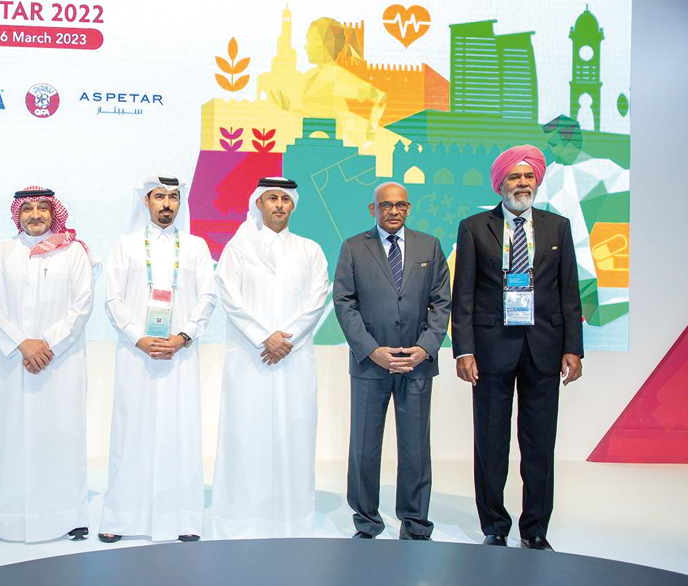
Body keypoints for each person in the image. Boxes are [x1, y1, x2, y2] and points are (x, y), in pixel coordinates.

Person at [452, 145, 583, 551]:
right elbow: (464, 295)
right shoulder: (475, 228)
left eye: (528, 177)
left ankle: (535, 529)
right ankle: (494, 525)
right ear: (501, 184)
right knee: (491, 442)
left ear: (536, 181)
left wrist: (573, 348)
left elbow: (569, 292)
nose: (522, 183)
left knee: (540, 443)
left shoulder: (557, 227)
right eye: (514, 177)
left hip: (544, 347)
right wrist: (464, 349)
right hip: (491, 349)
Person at [0, 187, 98, 543]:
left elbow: (83, 304)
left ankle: (69, 517)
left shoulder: (74, 253)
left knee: (61, 438)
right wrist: (22, 343)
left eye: (42, 208)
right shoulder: (0, 253)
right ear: (18, 214)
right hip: (12, 363)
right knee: (7, 438)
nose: (35, 215)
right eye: (27, 208)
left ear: (53, 212)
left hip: (59, 365)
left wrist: (47, 345)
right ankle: (0, 517)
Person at [98, 175, 217, 543]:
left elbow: (207, 297)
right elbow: (113, 299)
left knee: (179, 433)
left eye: (174, 198)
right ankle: (121, 518)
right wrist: (138, 337)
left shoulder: (195, 247)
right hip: (136, 355)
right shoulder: (126, 245)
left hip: (179, 356)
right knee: (131, 433)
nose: (167, 204)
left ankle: (184, 520)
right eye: (160, 197)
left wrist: (183, 337)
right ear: (146, 201)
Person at [210, 177, 329, 539]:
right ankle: (241, 519)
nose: (278, 204)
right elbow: (230, 296)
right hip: (250, 357)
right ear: (258, 204)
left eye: (284, 199)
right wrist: (265, 337)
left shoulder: (310, 250)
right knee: (245, 435)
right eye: (271, 198)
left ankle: (293, 520)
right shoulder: (238, 247)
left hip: (293, 358)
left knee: (293, 435)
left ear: (293, 206)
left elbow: (317, 298)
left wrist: (284, 339)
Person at [334, 182, 450, 540]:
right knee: (365, 447)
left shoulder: (429, 245)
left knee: (416, 448)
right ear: (373, 210)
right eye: (385, 205)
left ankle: (415, 524)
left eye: (400, 205)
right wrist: (371, 350)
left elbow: (441, 302)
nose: (393, 211)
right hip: (371, 364)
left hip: (417, 363)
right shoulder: (354, 247)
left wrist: (425, 347)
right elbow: (344, 303)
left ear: (409, 207)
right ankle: (367, 522)